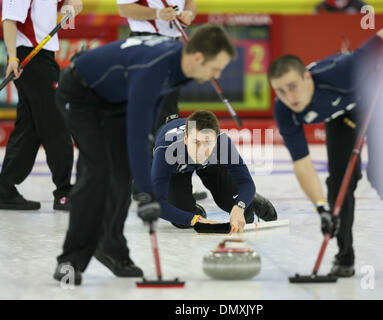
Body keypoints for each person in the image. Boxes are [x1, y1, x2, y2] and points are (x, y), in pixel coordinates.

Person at [52, 24, 236, 285]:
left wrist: (145, 180)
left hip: (115, 97)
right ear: (198, 58)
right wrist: (148, 194)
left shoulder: (179, 65)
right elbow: (136, 137)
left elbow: (150, 120)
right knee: (98, 173)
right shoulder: (155, 68)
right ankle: (69, 261)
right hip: (81, 94)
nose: (217, 75)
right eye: (216, 68)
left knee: (123, 170)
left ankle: (110, 247)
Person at [269, 28, 383, 277]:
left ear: (307, 77)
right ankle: (344, 256)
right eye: (280, 91)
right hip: (341, 117)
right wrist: (321, 208)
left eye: (292, 86)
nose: (289, 97)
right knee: (339, 184)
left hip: (376, 103)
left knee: (381, 173)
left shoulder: (343, 70)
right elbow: (302, 163)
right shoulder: (285, 111)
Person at [117, 0, 207, 201]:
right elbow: (124, 8)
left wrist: (188, 15)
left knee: (170, 118)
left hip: (173, 43)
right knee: (145, 117)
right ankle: (142, 184)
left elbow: (190, 3)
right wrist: (157, 13)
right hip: (145, 44)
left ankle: (176, 185)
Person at [0, 0, 82, 211]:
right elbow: (9, 20)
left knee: (30, 128)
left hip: (43, 54)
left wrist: (72, 7)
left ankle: (4, 190)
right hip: (30, 56)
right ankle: (64, 192)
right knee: (56, 123)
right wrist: (12, 57)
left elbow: (72, 3)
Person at [145, 110, 277, 231]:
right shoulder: (166, 150)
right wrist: (194, 219)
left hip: (210, 163)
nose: (201, 151)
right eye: (196, 142)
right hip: (177, 168)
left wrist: (240, 206)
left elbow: (246, 182)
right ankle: (192, 209)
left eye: (208, 143)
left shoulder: (223, 142)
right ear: (186, 139)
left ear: (216, 140)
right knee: (183, 221)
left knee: (237, 207)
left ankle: (252, 199)